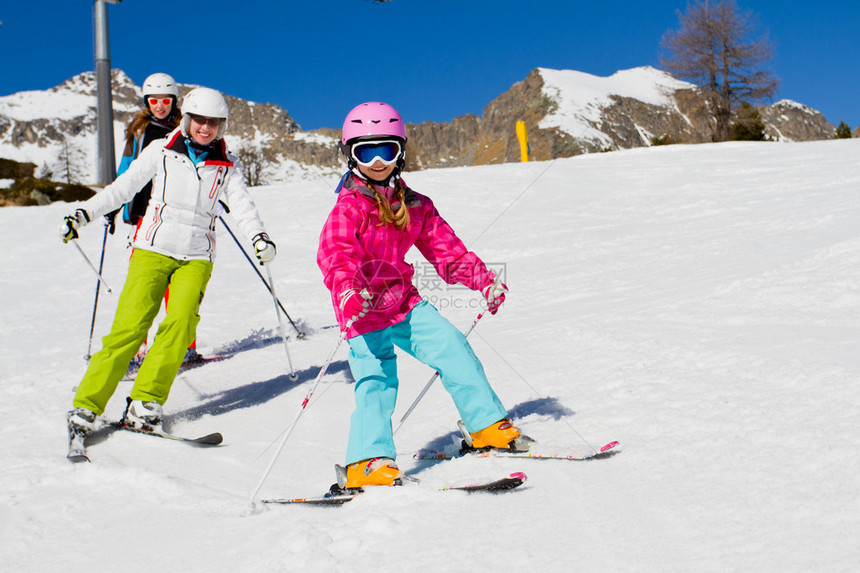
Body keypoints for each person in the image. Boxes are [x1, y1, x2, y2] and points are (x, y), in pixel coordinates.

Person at [317, 101, 523, 490]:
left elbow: (449, 252)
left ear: (401, 152)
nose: (377, 161)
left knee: (452, 346)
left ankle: (486, 427)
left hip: (403, 301)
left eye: (386, 150)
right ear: (350, 155)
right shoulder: (348, 208)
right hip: (361, 308)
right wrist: (347, 292)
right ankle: (367, 462)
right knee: (377, 377)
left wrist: (485, 281)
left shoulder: (415, 205)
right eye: (366, 151)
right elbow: (335, 254)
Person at [61, 87, 277, 437]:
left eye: (214, 123)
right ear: (188, 120)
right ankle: (87, 404)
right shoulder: (161, 151)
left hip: (196, 257)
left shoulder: (227, 165)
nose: (205, 129)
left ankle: (145, 403)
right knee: (129, 329)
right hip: (152, 250)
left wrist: (259, 236)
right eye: (200, 121)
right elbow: (123, 187)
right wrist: (83, 213)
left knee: (179, 327)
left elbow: (243, 206)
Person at [112, 72, 201, 364]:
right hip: (145, 213)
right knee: (144, 285)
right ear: (146, 102)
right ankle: (135, 349)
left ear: (174, 101)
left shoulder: (183, 130)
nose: (159, 106)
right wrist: (113, 208)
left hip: (178, 211)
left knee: (179, 285)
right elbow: (126, 171)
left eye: (165, 100)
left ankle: (185, 345)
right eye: (154, 100)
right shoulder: (138, 132)